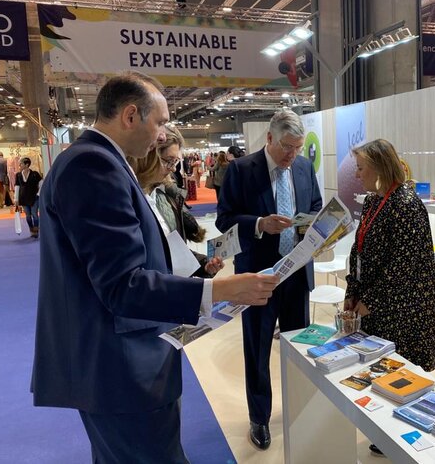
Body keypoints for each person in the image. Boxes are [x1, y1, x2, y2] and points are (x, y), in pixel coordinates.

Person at [32, 71, 279, 464]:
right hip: (120, 367)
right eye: (160, 122)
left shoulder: (99, 161)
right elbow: (122, 285)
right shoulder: (94, 165)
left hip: (123, 362)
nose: (163, 134)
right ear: (131, 115)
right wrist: (221, 290)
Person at [216, 109, 322, 450]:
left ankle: (298, 407)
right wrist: (260, 224)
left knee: (298, 347)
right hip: (258, 276)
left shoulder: (304, 167)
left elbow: (316, 205)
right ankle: (259, 418)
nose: (292, 154)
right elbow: (224, 220)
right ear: (270, 138)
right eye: (286, 147)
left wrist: (315, 228)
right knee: (257, 349)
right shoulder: (241, 169)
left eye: (297, 147)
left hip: (297, 274)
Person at [343, 139, 435, 454]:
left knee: (401, 373)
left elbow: (402, 266)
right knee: (381, 371)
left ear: (379, 167)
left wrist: (370, 301)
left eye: (361, 168)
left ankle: (403, 439)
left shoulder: (406, 204)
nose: (357, 175)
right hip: (377, 304)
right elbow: (359, 250)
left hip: (402, 309)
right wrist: (352, 291)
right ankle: (386, 432)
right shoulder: (374, 201)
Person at [128, 125, 223, 277]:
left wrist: (203, 264)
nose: (173, 169)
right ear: (148, 156)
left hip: (168, 285)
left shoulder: (163, 196)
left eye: (175, 162)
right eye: (169, 161)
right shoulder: (127, 199)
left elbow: (171, 249)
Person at [14, 157, 42, 238]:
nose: (20, 165)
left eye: (21, 163)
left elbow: (41, 183)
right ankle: (31, 229)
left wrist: (38, 194)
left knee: (34, 214)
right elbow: (17, 187)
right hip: (23, 198)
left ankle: (36, 230)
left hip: (34, 198)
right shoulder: (18, 175)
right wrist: (16, 199)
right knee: (28, 216)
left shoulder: (35, 174)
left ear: (27, 165)